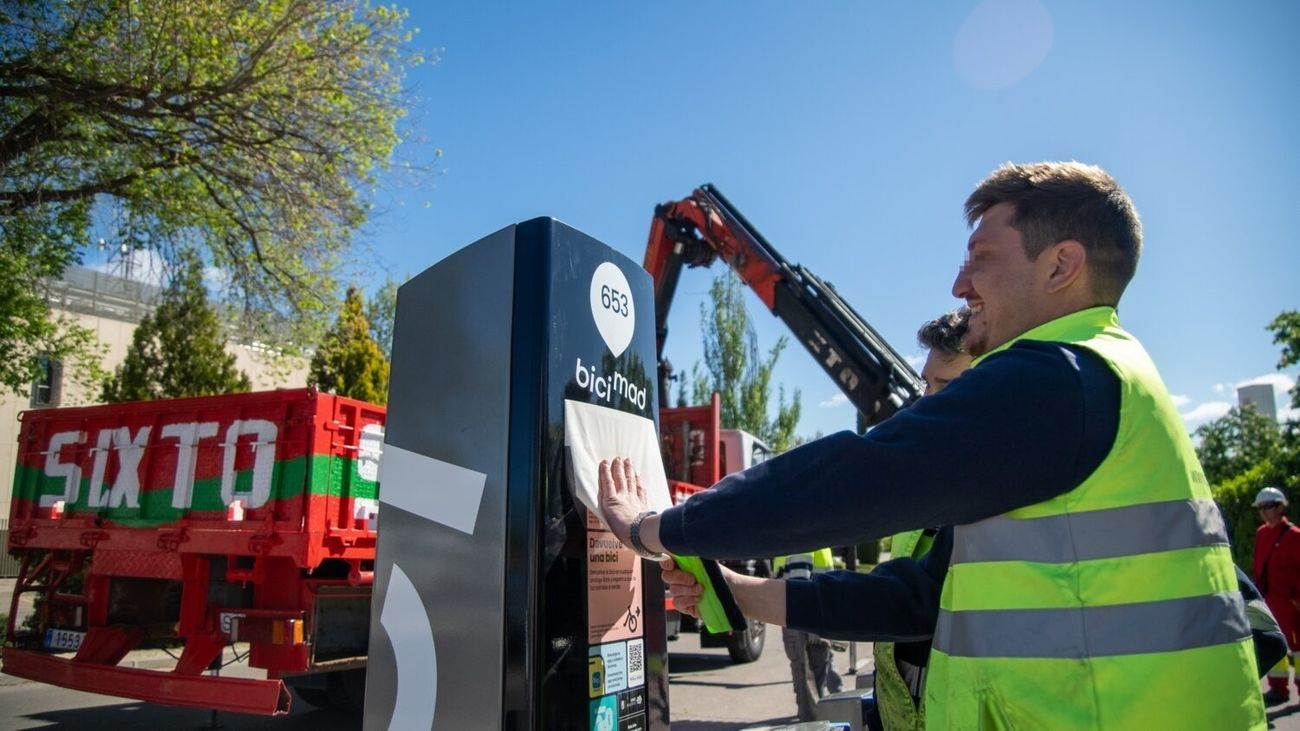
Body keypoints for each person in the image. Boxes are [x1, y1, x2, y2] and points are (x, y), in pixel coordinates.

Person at [600, 161, 1265, 728]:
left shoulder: (1060, 374)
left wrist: (655, 526)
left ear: (1062, 265)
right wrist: (745, 592)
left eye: (981, 258)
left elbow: (858, 478)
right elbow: (919, 595)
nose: (958, 283)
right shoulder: (1099, 376)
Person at [867, 309, 971, 731]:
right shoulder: (928, 485)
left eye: (943, 387)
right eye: (925, 385)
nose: (926, 402)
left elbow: (911, 602)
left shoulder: (1004, 493)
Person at [773, 547, 842, 721]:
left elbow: (799, 587)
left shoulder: (795, 537)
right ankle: (820, 719)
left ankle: (814, 720)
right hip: (812, 617)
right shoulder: (809, 537)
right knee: (815, 675)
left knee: (805, 673)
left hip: (797, 617)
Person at [1254, 486, 1300, 705]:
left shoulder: (1294, 536)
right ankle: (1278, 688)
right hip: (1271, 599)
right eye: (1261, 507)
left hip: (1292, 600)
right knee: (1274, 642)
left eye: (1269, 506)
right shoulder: (1261, 534)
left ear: (1281, 507)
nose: (1264, 511)